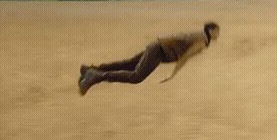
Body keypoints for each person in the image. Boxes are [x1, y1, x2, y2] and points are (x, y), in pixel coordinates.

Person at [78, 22, 220, 95]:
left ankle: (91, 70)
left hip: (158, 48)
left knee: (130, 64)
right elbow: (185, 58)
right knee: (136, 77)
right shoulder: (202, 42)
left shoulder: (199, 36)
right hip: (159, 51)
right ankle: (95, 76)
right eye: (217, 31)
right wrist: (172, 75)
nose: (218, 35)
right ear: (211, 30)